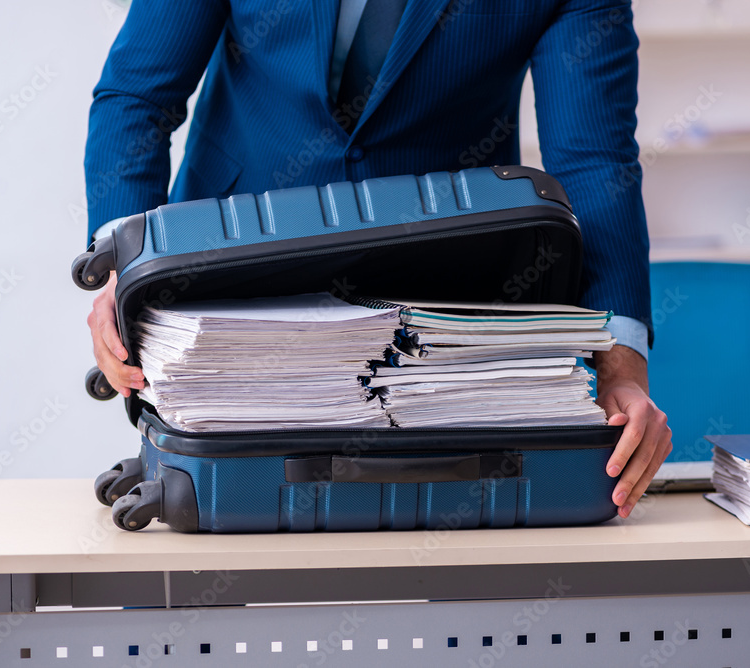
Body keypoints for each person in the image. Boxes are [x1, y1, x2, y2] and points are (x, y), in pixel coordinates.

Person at [84, 0, 671, 518]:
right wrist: (123, 272)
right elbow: (138, 98)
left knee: (469, 570)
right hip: (227, 287)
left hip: (441, 311)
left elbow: (594, 159)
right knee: (199, 557)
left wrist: (622, 368)